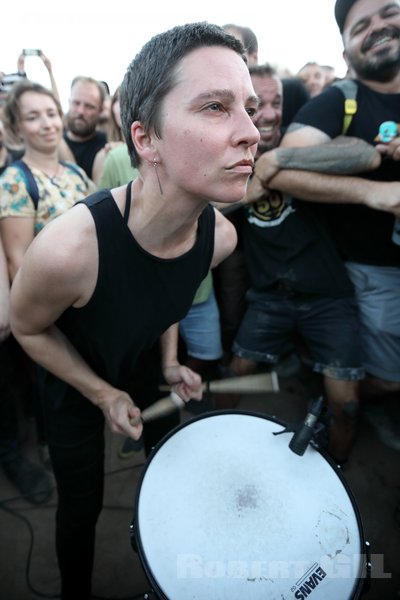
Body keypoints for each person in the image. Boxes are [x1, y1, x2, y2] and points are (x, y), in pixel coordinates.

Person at [9, 22, 259, 598]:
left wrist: (168, 364)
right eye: (216, 107)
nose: (251, 132)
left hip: (145, 366)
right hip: (72, 381)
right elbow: (27, 328)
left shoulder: (219, 239)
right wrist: (103, 394)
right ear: (145, 140)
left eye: (249, 108)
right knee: (82, 503)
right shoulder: (69, 248)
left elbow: (166, 298)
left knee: (175, 465)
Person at [249, 0, 400, 450]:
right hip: (373, 275)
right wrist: (373, 190)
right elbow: (279, 168)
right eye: (361, 25)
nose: (377, 26)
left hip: (327, 291)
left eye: (388, 12)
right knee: (382, 381)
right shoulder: (340, 101)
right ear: (345, 47)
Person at [228, 63, 382, 463]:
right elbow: (204, 206)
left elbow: (363, 152)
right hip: (269, 298)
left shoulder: (302, 143)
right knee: (237, 374)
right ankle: (220, 447)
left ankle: (334, 475)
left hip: (328, 297)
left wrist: (282, 161)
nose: (270, 113)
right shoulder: (231, 161)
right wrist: (259, 179)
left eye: (277, 102)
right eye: (257, 104)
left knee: (346, 406)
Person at [63, 76, 107, 179]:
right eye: (76, 103)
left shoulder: (109, 146)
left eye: (89, 106)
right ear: (69, 102)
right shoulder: (51, 145)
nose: (80, 111)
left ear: (100, 110)